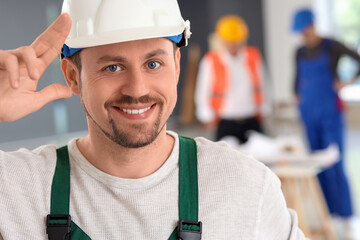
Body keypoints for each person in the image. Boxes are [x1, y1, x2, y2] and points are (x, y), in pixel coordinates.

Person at [0, 1, 307, 239]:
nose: (137, 89)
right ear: (72, 76)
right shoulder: (16, 190)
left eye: (153, 63)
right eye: (112, 68)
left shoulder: (245, 186)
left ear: (175, 65)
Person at [292, 8, 359, 237]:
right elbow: (296, 81)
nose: (303, 35)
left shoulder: (331, 46)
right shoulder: (299, 52)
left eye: (305, 30)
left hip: (330, 113)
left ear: (313, 25)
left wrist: (346, 82)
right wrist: (297, 97)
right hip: (309, 115)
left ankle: (346, 216)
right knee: (317, 165)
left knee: (335, 165)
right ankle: (327, 214)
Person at [195, 15, 271, 144]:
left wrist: (265, 109)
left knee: (256, 159)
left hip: (252, 120)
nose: (233, 45)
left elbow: (264, 85)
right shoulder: (211, 60)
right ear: (222, 40)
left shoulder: (253, 56)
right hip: (225, 122)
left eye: (237, 41)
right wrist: (206, 115)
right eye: (230, 41)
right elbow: (203, 91)